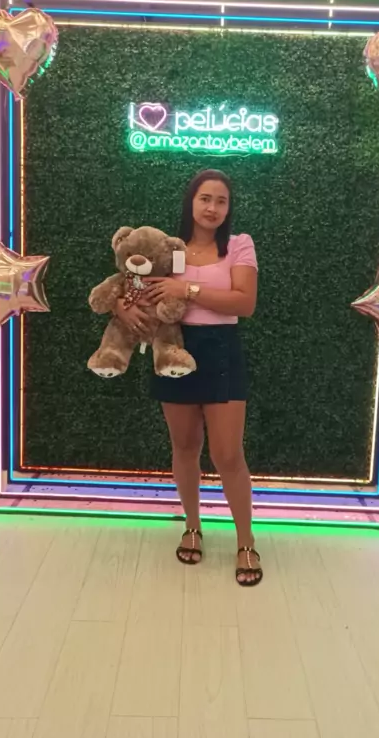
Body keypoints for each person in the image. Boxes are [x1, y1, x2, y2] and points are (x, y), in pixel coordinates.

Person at [115, 169, 262, 586]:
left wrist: (187, 290)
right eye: (205, 199)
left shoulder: (239, 244)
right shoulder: (166, 246)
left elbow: (245, 302)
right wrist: (124, 308)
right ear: (191, 202)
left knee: (228, 454)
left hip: (221, 351)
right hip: (173, 346)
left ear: (229, 208)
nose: (212, 207)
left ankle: (246, 542)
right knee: (184, 446)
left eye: (221, 200)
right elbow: (130, 287)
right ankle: (192, 526)